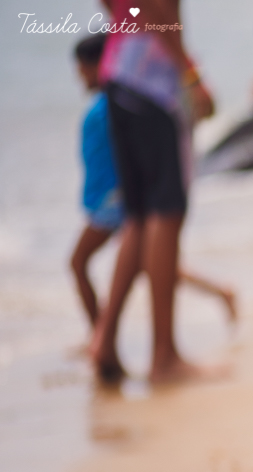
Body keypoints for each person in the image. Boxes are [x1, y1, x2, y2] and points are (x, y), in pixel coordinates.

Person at [71, 34, 236, 340]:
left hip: (115, 203)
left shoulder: (124, 103)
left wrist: (192, 79)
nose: (80, 78)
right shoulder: (118, 103)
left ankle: (100, 336)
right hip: (114, 200)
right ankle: (221, 292)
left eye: (82, 70)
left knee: (82, 262)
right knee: (154, 263)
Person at [89, 0, 218, 384]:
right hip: (151, 79)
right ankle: (164, 355)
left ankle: (105, 339)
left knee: (140, 214)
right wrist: (192, 75)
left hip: (119, 71)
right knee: (166, 211)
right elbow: (157, 8)